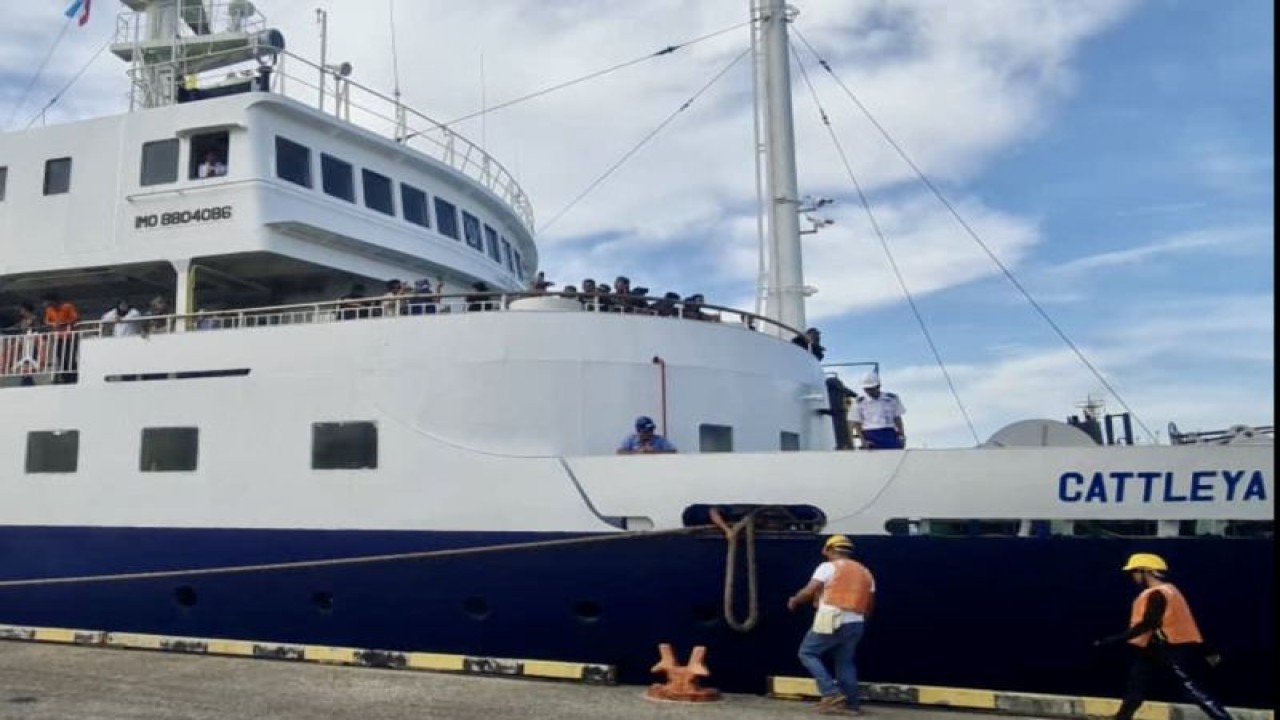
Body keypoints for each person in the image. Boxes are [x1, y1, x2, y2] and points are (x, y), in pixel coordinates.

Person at [1093, 554, 1234, 720]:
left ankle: (1223, 718)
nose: (1133, 577)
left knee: (1190, 688)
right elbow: (1186, 623)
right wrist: (1205, 648)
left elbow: (1148, 623)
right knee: (1136, 686)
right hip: (1152, 647)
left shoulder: (1157, 594)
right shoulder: (1171, 591)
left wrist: (1115, 639)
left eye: (1135, 572)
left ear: (1146, 572)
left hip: (1168, 648)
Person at [786, 535, 875, 715]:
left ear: (828, 550)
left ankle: (830, 693)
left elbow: (809, 590)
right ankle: (851, 705)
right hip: (856, 622)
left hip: (832, 619)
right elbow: (870, 602)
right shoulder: (865, 571)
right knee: (845, 662)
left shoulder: (827, 567)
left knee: (807, 652)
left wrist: (795, 600)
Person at [850, 372, 905, 449]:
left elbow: (897, 418)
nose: (869, 392)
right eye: (867, 389)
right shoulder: (859, 402)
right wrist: (863, 440)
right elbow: (856, 423)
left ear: (878, 386)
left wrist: (901, 435)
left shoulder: (892, 399)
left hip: (889, 432)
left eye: (872, 389)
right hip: (870, 433)